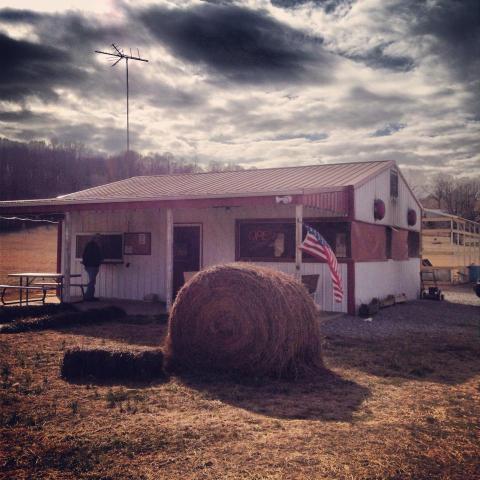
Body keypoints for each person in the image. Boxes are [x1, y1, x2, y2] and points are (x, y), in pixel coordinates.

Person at [82, 234, 104, 301]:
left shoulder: (89, 245)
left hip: (91, 265)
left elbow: (84, 255)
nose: (100, 240)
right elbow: (96, 256)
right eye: (98, 238)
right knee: (92, 281)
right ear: (95, 239)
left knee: (92, 281)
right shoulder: (94, 246)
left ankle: (90, 296)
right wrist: (98, 261)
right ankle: (87, 297)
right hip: (92, 266)